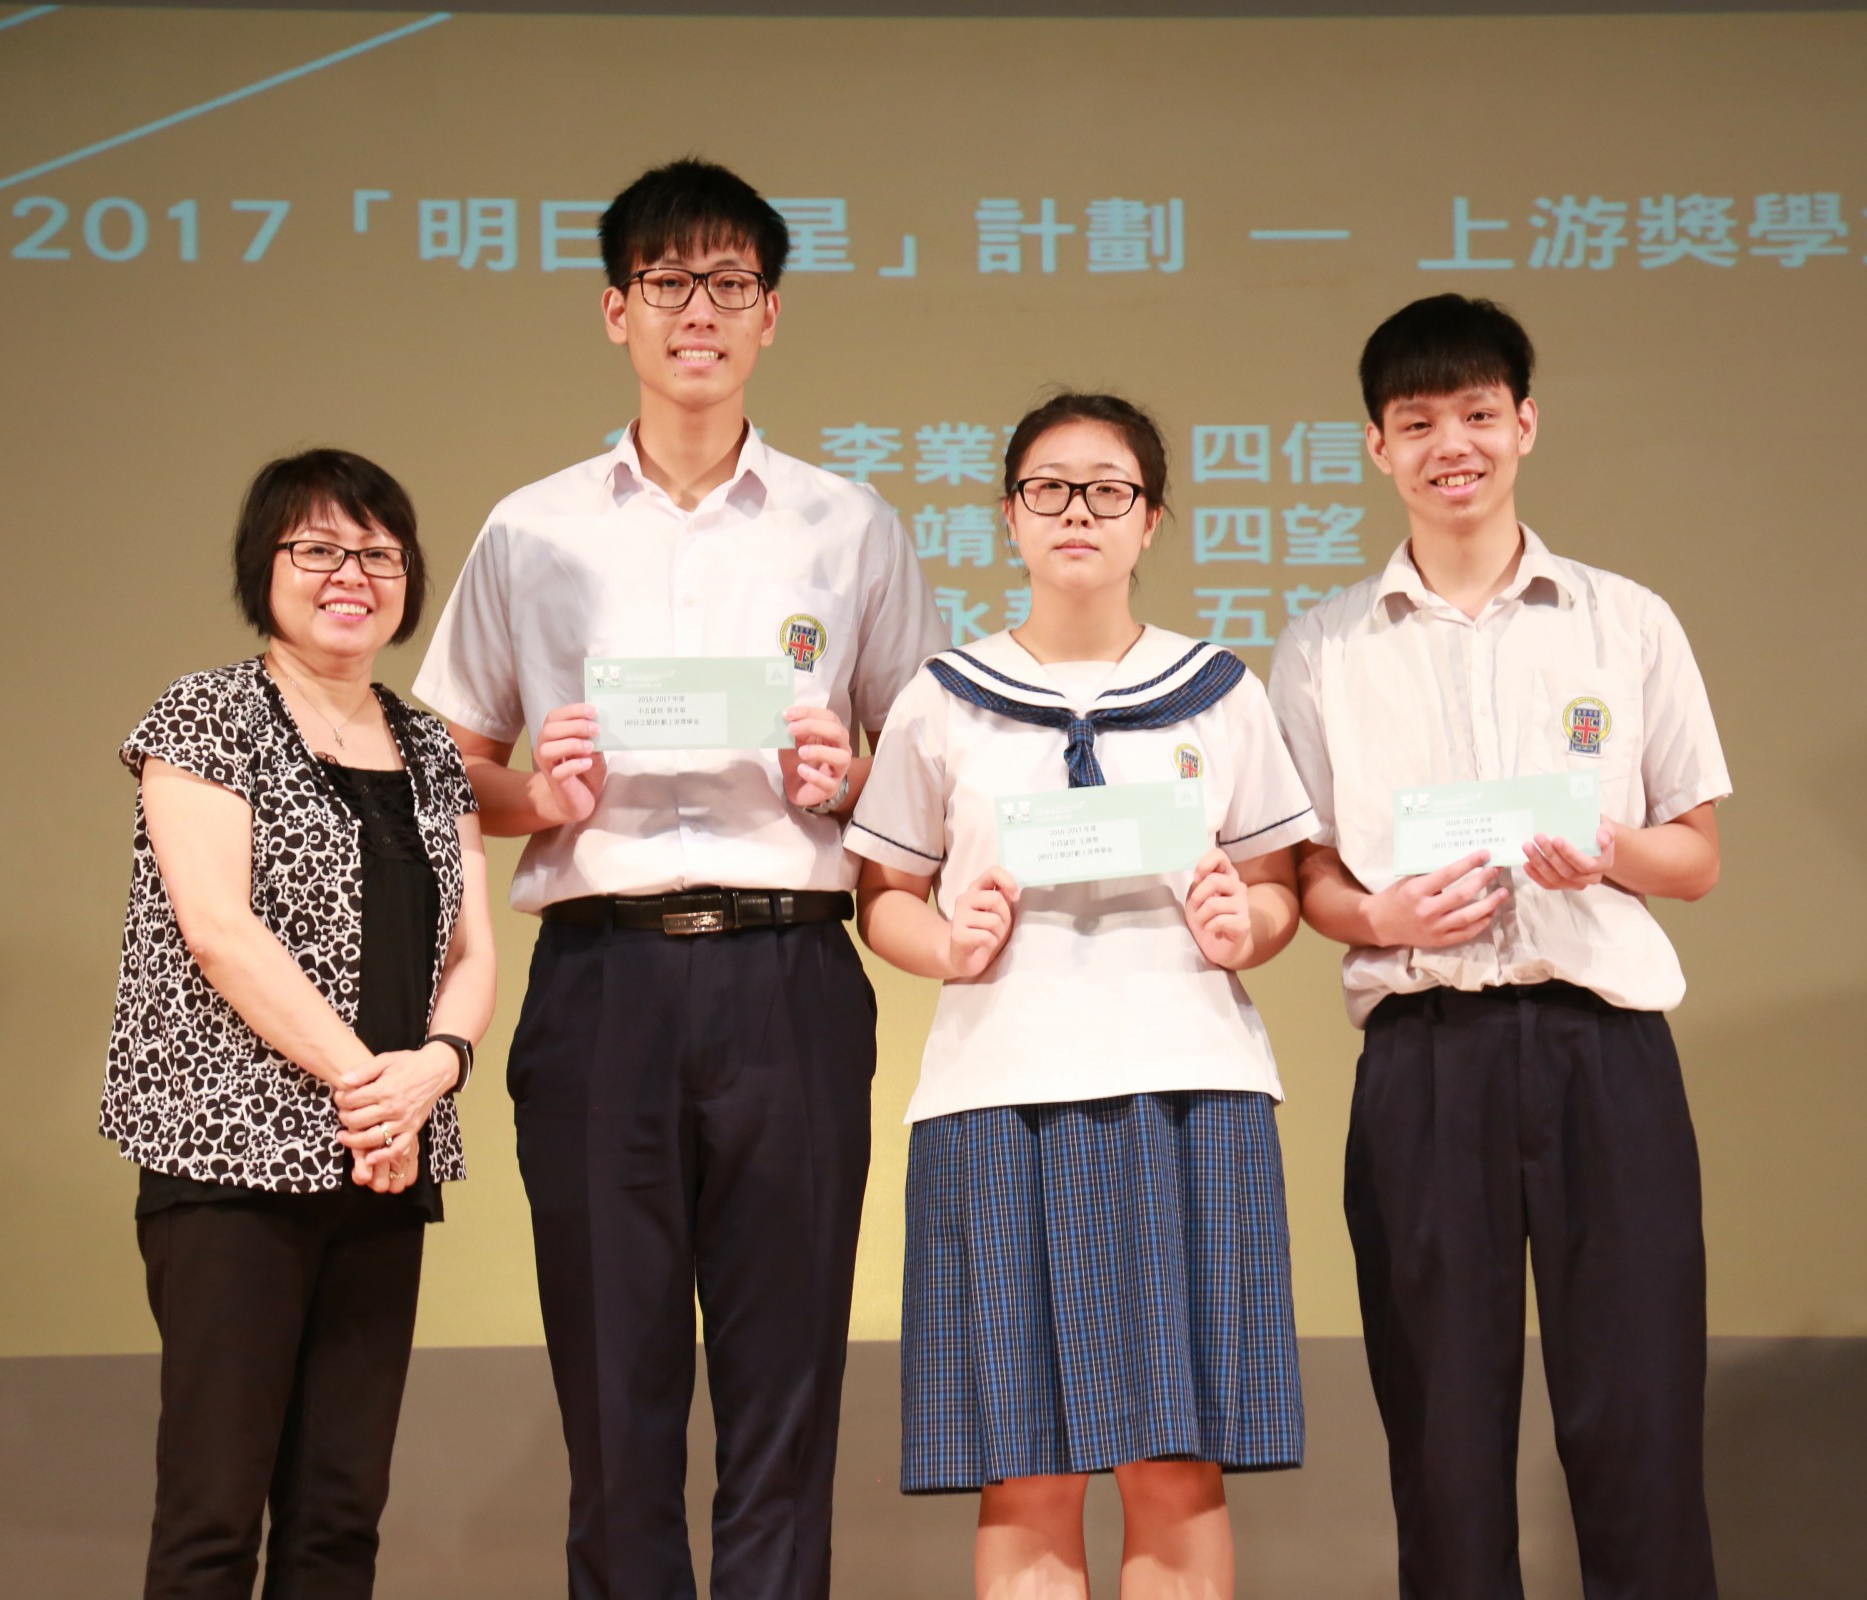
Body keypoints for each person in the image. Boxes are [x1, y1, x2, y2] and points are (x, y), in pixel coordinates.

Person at [410, 157, 942, 1599]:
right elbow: (442, 765)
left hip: (790, 974)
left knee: (785, 1394)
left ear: (771, 313)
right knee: (615, 1398)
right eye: (666, 282)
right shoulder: (532, 527)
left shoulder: (850, 524)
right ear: (615, 311)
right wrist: (539, 794)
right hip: (603, 979)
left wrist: (852, 779)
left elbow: (929, 769)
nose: (696, 311)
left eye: (727, 284)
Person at [1267, 294, 1733, 1599]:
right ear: (1378, 446)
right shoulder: (1322, 647)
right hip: (1427, 1054)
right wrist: (1383, 918)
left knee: (1639, 1418)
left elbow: (1697, 857)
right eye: (1418, 422)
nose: (1451, 446)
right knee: (1444, 1437)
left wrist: (1612, 848)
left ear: (1525, 423)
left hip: (1605, 1050)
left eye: (1477, 413)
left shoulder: (1625, 621)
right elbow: (1309, 876)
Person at [846, 392, 1321, 1599]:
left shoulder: (1218, 688)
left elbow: (1277, 885)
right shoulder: (943, 694)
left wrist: (1246, 924)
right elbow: (883, 893)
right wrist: (947, 943)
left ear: (1150, 519)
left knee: (1174, 1461)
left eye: (1109, 490)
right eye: (1048, 489)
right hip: (997, 1095)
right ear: (1009, 516)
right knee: (1027, 1465)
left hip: (1190, 1089)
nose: (1077, 512)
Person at [103, 448, 496, 1599]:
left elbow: (472, 953)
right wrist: (372, 1084)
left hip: (383, 1163)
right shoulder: (208, 713)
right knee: (214, 1516)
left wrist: (436, 1069)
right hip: (233, 1159)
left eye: (379, 553)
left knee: (338, 1516)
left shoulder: (430, 747)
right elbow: (219, 931)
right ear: (262, 567)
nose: (351, 575)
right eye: (319, 548)